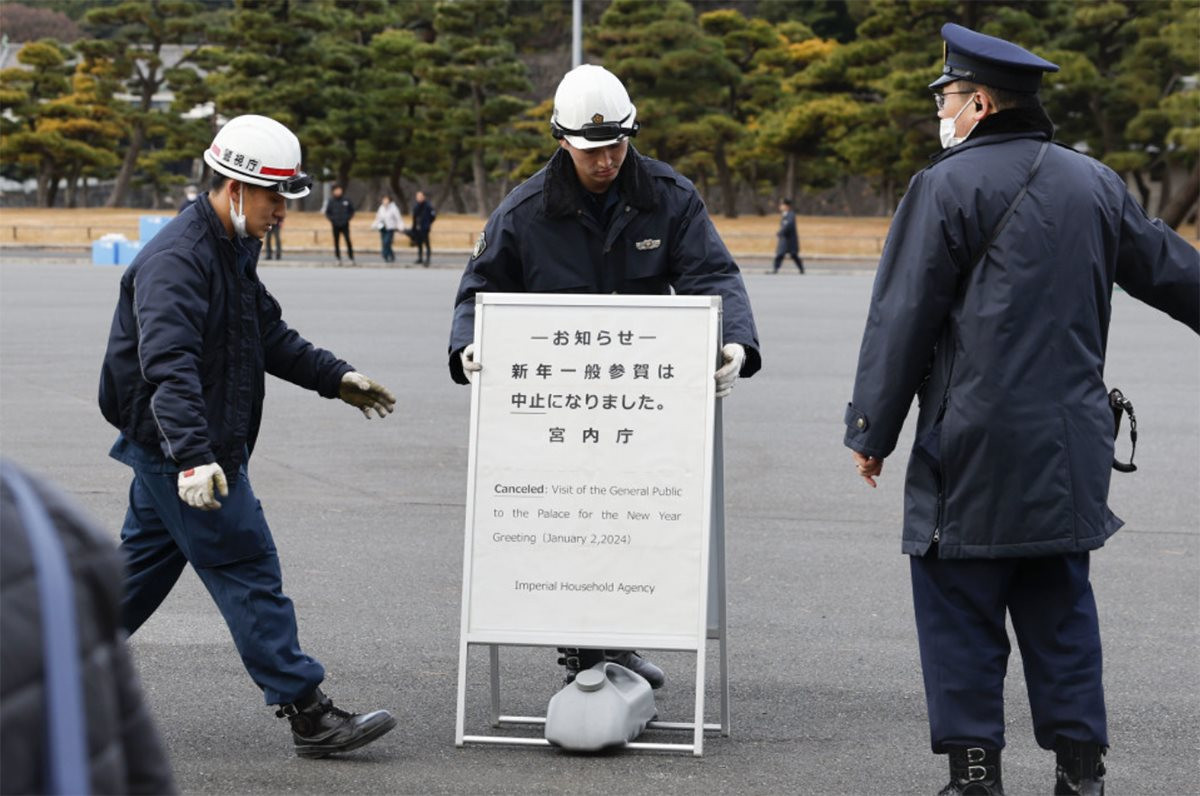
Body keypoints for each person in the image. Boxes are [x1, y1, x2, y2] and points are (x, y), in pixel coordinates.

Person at [843, 24, 1199, 796]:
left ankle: (975, 779)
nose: (942, 111)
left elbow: (903, 315)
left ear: (979, 102)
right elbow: (1173, 272)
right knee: (1060, 609)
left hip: (967, 446)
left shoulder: (944, 185)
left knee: (960, 611)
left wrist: (873, 428)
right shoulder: (1097, 183)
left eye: (947, 97)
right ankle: (1081, 776)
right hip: (1071, 446)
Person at [447, 64, 762, 690]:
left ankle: (615, 642)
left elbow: (713, 274)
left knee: (637, 521)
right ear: (562, 141)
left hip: (642, 399)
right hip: (557, 403)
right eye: (592, 149)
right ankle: (587, 653)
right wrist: (468, 349)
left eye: (617, 144)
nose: (607, 159)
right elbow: (477, 291)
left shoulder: (670, 196)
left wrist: (735, 341)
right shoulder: (526, 209)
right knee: (569, 522)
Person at [98, 114, 401, 759]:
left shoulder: (230, 246)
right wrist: (195, 459)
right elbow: (168, 367)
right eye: (273, 199)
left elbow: (265, 333)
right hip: (186, 450)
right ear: (234, 186)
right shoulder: (178, 261)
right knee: (246, 564)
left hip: (183, 450)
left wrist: (335, 376)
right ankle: (309, 712)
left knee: (130, 580)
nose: (281, 214)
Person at [1, 459, 177, 794]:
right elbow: (141, 768)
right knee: (244, 567)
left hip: (182, 459)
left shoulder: (45, 525)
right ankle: (294, 687)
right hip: (182, 461)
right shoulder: (44, 522)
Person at [325, 184, 356, 266]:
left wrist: (347, 219)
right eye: (336, 190)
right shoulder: (331, 201)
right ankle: (338, 258)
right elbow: (327, 212)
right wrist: (332, 220)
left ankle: (351, 258)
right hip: (335, 225)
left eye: (339, 190)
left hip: (345, 224)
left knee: (348, 241)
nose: (338, 191)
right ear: (333, 191)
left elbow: (352, 211)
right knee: (336, 242)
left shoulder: (346, 200)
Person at [772, 198, 804, 274]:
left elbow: (788, 225)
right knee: (780, 255)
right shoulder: (785, 215)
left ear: (787, 206)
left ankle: (801, 269)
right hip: (785, 240)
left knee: (794, 255)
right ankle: (775, 269)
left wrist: (780, 232)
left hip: (790, 240)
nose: (780, 206)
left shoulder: (790, 215)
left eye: (782, 205)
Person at [372, 194, 404, 264]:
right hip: (382, 228)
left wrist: (400, 226)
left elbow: (398, 218)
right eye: (384, 200)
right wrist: (374, 225)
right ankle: (391, 256)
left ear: (389, 201)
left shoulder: (394, 208)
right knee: (384, 243)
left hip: (390, 228)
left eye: (386, 200)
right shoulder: (381, 208)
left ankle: (384, 254)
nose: (385, 201)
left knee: (387, 242)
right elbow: (378, 218)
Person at [410, 190, 435, 266]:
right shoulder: (416, 206)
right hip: (417, 228)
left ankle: (427, 259)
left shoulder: (428, 206)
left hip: (425, 227)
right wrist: (413, 227)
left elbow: (433, 216)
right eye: (417, 196)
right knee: (419, 243)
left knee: (426, 243)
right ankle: (420, 258)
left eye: (420, 196)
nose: (419, 198)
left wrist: (428, 223)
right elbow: (414, 217)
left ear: (424, 197)